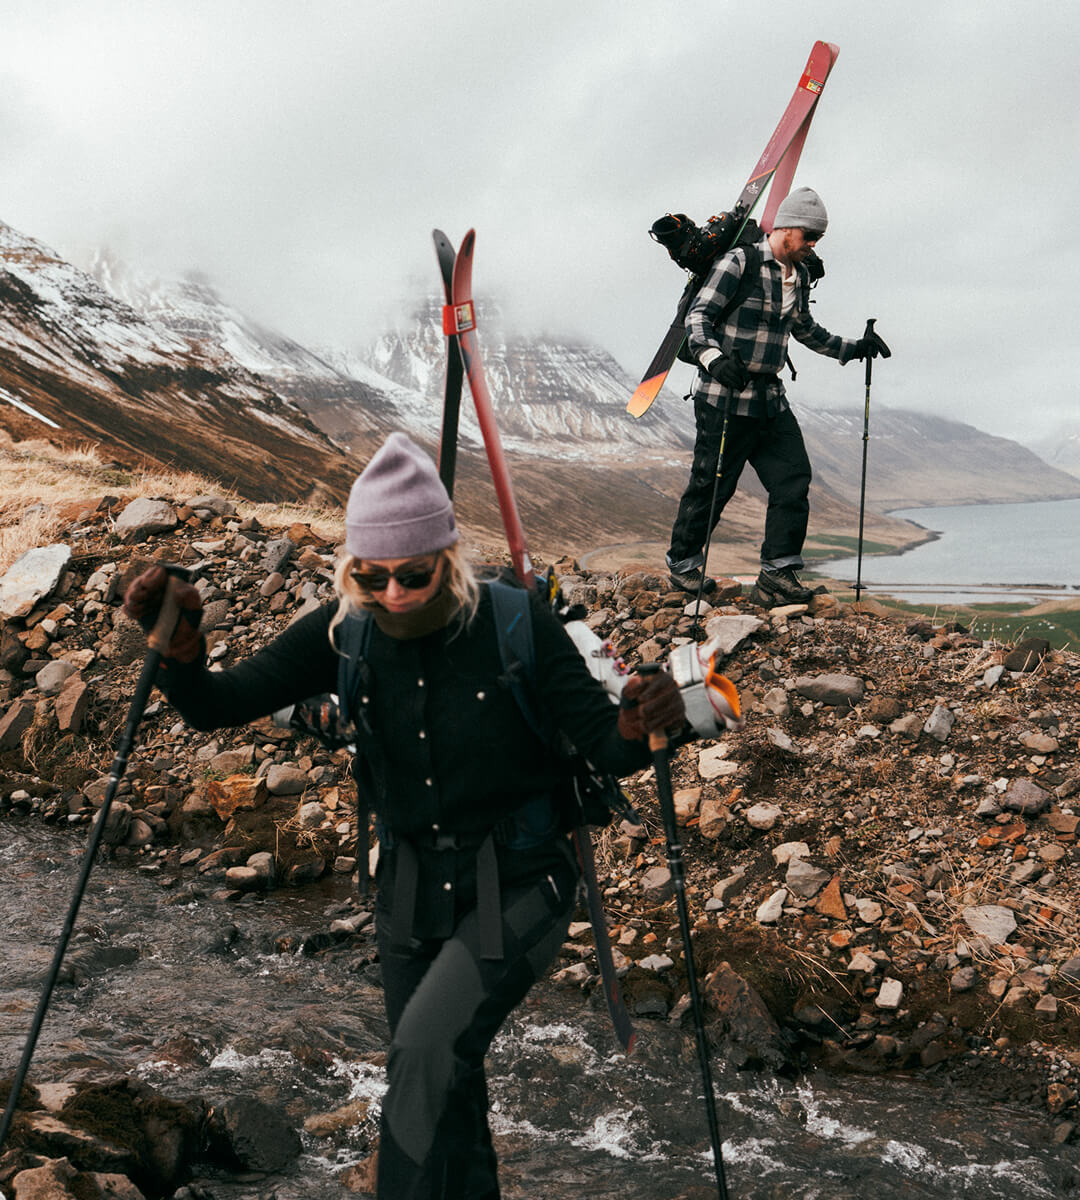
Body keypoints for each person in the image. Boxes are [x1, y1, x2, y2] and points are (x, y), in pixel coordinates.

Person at [124, 431, 685, 1200]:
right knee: (451, 1090)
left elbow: (611, 746)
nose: (392, 593)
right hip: (410, 897)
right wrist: (181, 647)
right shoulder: (343, 629)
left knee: (422, 1056)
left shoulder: (517, 624)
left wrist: (650, 718)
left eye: (413, 574)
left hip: (522, 884)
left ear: (447, 559)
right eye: (372, 575)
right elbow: (216, 709)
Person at [665, 186, 890, 606]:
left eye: (817, 239)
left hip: (770, 399)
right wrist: (714, 359)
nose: (813, 246)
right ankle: (682, 565)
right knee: (712, 485)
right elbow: (700, 316)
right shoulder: (740, 262)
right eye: (809, 237)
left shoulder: (799, 275)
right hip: (723, 397)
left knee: (793, 480)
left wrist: (853, 348)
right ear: (787, 229)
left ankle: (777, 573)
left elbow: (803, 327)